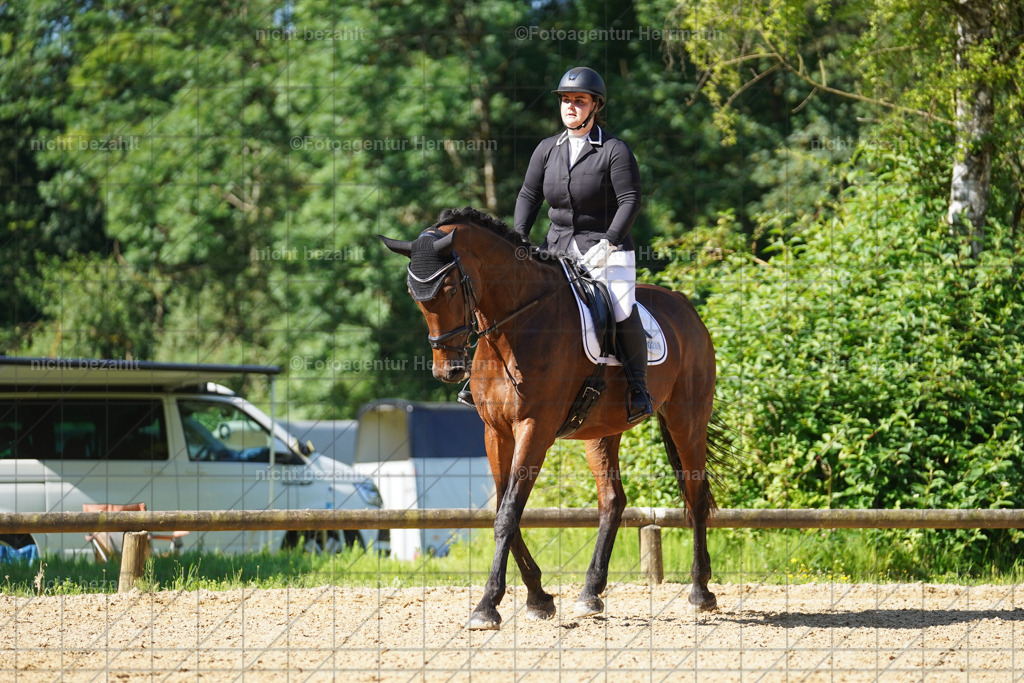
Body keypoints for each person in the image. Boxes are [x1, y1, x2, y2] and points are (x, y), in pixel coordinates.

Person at [459, 66, 653, 424]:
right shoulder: (547, 149)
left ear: (595, 106)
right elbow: (529, 195)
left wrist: (610, 241)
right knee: (510, 299)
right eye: (566, 100)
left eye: (579, 101)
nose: (570, 106)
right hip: (557, 249)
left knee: (621, 307)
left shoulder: (614, 150)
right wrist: (516, 239)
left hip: (606, 250)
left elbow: (630, 200)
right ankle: (481, 379)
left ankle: (638, 387)